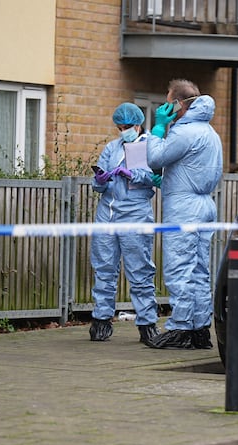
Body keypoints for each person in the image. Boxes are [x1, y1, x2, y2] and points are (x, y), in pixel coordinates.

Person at [145, 79, 223, 350]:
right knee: (200, 269)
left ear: (178, 103)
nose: (166, 106)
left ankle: (180, 327)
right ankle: (199, 329)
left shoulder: (184, 131)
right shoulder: (210, 132)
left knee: (179, 267)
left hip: (184, 207)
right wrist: (167, 180)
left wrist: (157, 129)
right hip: (205, 204)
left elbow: (155, 158)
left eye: (168, 101)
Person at [89, 102, 160, 346]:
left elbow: (154, 177)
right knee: (103, 268)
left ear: (138, 124)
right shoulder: (112, 147)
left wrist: (132, 174)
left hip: (135, 214)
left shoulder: (149, 145)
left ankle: (147, 323)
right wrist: (100, 179)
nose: (123, 130)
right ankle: (101, 319)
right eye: (120, 127)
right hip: (107, 213)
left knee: (140, 270)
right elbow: (98, 185)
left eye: (127, 126)